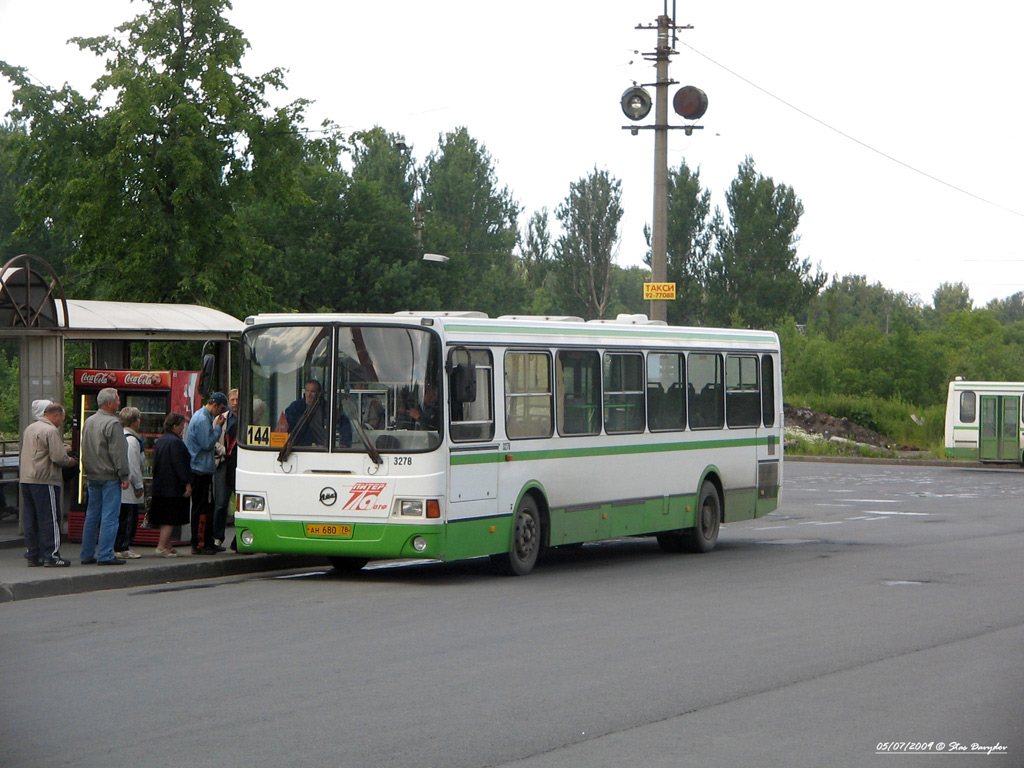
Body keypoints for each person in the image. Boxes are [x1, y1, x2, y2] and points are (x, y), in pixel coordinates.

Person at [20, 402, 76, 567]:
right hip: (45, 479)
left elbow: (40, 450)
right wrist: (70, 460)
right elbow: (58, 458)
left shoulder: (30, 428)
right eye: (61, 420)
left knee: (31, 518)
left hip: (27, 478)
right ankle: (51, 555)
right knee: (50, 518)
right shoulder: (50, 430)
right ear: (55, 415)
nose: (61, 424)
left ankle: (32, 553)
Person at [80, 387, 131, 565]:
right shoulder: (113, 424)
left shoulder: (90, 420)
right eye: (117, 399)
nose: (119, 402)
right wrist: (124, 475)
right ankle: (105, 554)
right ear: (109, 404)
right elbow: (118, 452)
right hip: (109, 475)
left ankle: (86, 554)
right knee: (110, 516)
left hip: (92, 474)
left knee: (92, 516)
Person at [184, 391, 228, 554]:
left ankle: (207, 540)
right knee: (202, 507)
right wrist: (218, 428)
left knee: (207, 506)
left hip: (203, 467)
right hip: (200, 470)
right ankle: (199, 543)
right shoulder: (203, 419)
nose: (221, 414)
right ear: (215, 405)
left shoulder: (202, 416)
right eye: (221, 410)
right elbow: (207, 443)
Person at [149, 413, 192, 557]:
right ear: (175, 426)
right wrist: (187, 482)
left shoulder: (161, 441)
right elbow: (179, 464)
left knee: (164, 517)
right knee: (170, 518)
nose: (182, 428)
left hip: (160, 485)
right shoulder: (175, 443)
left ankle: (167, 544)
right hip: (172, 487)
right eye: (181, 425)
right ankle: (161, 547)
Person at [114, 406, 145, 560]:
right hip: (129, 488)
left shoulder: (121, 436)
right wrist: (139, 486)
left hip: (121, 486)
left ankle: (118, 546)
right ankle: (123, 546)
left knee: (122, 517)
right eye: (138, 419)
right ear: (133, 421)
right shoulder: (132, 441)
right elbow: (133, 465)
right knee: (128, 519)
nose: (140, 421)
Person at [212, 388, 239, 550]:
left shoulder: (249, 418)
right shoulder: (220, 419)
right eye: (232, 400)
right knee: (221, 502)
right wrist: (222, 449)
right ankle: (217, 537)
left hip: (240, 465)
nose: (235, 403)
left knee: (242, 504)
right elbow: (212, 439)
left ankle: (240, 537)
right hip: (223, 463)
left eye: (238, 400)